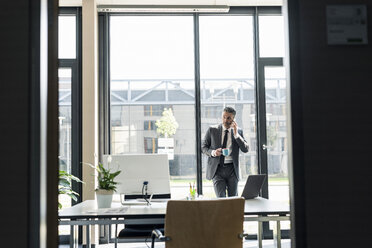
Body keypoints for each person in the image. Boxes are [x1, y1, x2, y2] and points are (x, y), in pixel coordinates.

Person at [202, 106, 249, 197]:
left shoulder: (238, 131)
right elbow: (203, 147)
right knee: (221, 199)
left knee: (233, 200)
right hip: (217, 169)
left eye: (228, 118)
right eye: (224, 117)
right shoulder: (212, 130)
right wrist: (213, 152)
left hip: (232, 169)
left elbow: (245, 149)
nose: (225, 120)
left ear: (233, 119)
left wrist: (236, 135)